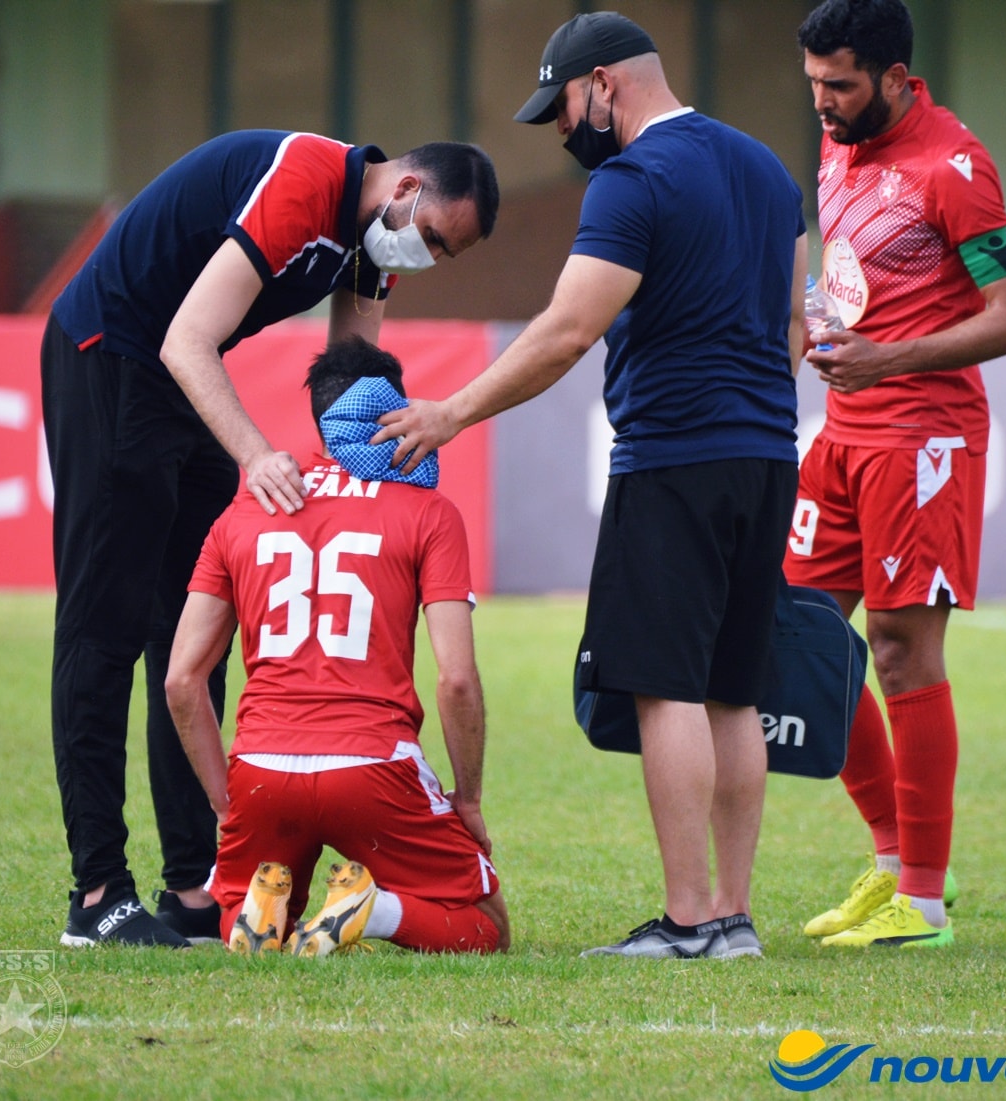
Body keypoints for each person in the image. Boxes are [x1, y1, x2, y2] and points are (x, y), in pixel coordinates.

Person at [373, 12, 808, 959]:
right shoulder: (770, 171)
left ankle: (690, 919)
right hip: (770, 453)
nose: (566, 128)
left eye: (565, 105)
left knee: (666, 686)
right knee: (735, 688)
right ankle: (733, 917)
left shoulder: (632, 180)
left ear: (604, 84)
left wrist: (449, 412)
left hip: (673, 456)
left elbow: (568, 330)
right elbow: (798, 329)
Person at [43, 130, 499, 948]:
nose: (427, 255)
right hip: (112, 353)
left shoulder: (375, 243)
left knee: (189, 638)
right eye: (432, 235)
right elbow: (184, 337)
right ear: (406, 187)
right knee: (102, 629)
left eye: (447, 254)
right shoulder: (304, 181)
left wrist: (371, 471)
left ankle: (189, 886)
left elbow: (349, 383)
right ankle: (97, 894)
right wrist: (256, 455)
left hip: (183, 374)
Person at [787, 0, 1006, 947]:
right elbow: (845, 261)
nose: (822, 101)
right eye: (813, 83)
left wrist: (887, 359)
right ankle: (890, 858)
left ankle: (922, 902)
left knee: (898, 647)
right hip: (845, 431)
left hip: (924, 434)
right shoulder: (840, 139)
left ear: (896, 77)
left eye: (840, 85)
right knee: (795, 633)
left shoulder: (956, 167)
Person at [165, 336, 509, 956]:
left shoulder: (246, 510)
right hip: (373, 766)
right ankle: (373, 912)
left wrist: (226, 803)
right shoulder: (428, 510)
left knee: (249, 906)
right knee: (485, 922)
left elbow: (181, 681)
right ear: (394, 412)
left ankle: (260, 915)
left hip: (263, 768)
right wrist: (471, 798)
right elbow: (456, 678)